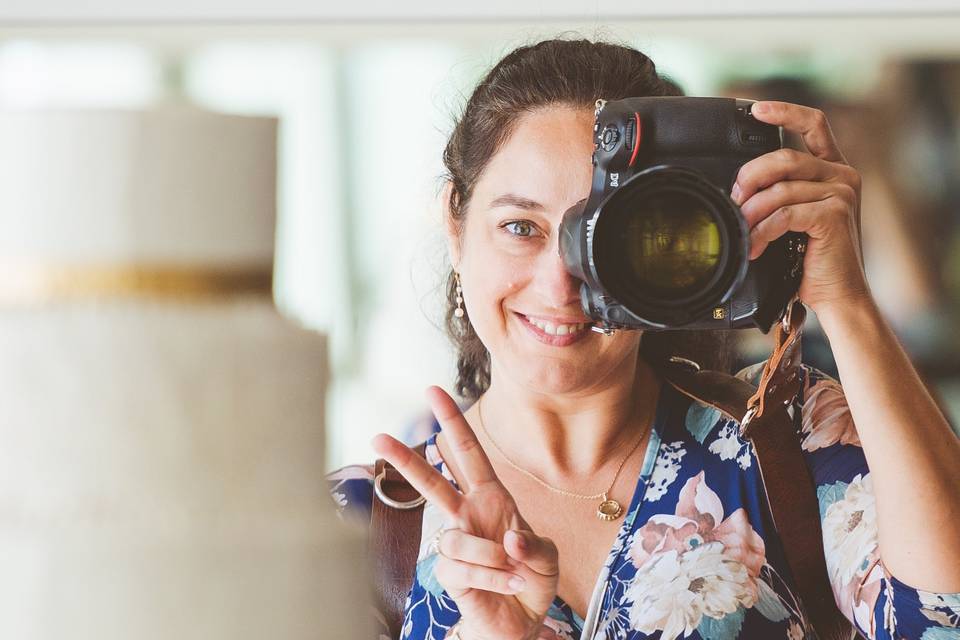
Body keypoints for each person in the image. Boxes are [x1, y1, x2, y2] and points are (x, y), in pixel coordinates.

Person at [328, 38, 960, 640]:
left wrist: (846, 300)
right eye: (520, 226)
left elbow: (943, 617)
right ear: (455, 224)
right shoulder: (354, 528)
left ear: (668, 243)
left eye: (599, 235)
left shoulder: (789, 440)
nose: (559, 284)